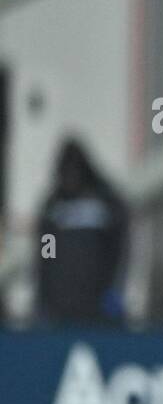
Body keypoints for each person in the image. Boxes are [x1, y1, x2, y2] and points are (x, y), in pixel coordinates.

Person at [36, 136, 127, 324]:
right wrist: (45, 292)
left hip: (96, 298)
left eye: (74, 172)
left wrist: (112, 287)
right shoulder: (53, 208)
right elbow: (47, 254)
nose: (70, 179)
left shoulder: (105, 203)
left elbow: (116, 247)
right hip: (60, 302)